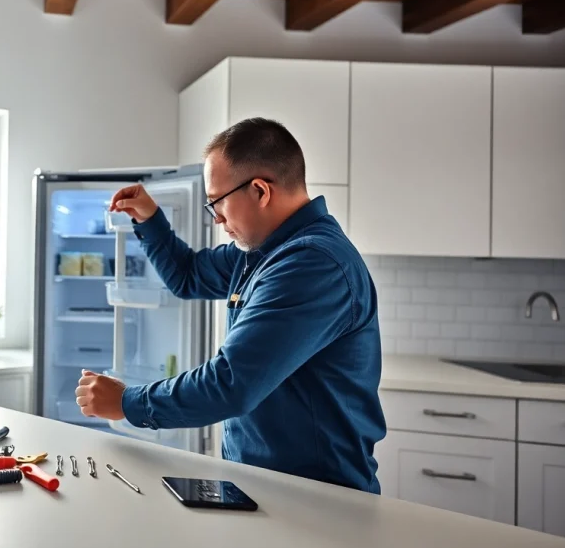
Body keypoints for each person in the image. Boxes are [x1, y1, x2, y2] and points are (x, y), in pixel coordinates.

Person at [75, 117, 387, 493]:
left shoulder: (312, 265)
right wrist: (151, 219)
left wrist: (128, 403)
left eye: (217, 202)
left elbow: (231, 383)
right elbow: (188, 276)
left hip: (317, 497)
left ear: (260, 191)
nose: (217, 217)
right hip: (262, 484)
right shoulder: (261, 252)